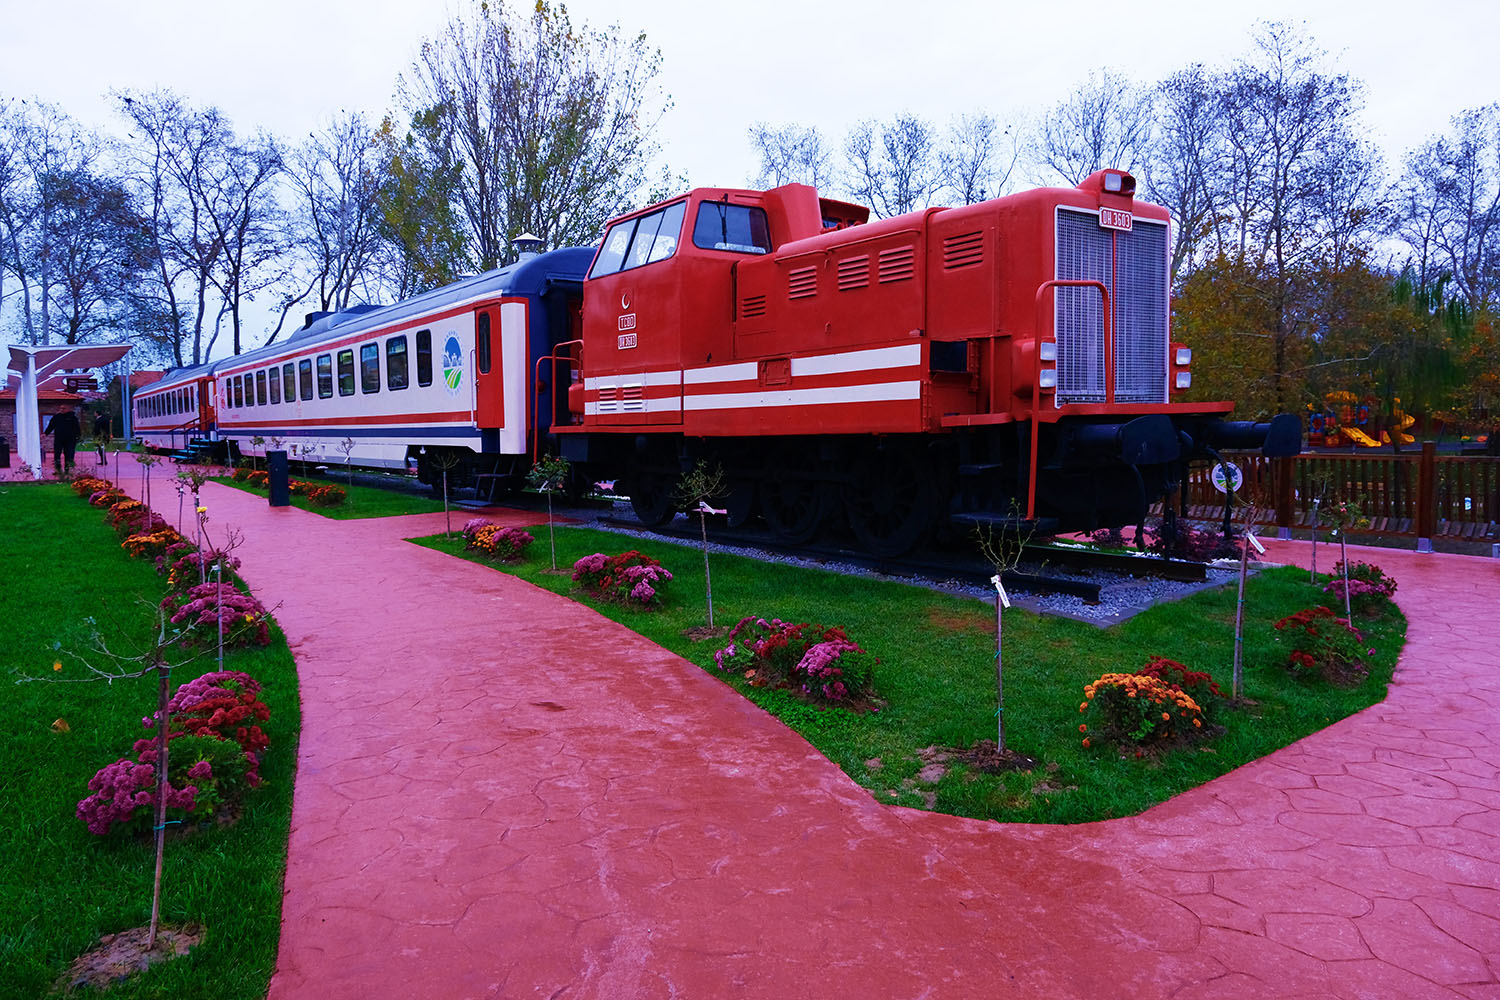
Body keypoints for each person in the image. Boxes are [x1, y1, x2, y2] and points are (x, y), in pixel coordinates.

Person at [44, 405, 82, 476]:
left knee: (68, 453)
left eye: (64, 408)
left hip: (70, 439)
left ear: (68, 409)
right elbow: (51, 426)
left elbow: (77, 428)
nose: (62, 410)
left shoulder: (72, 418)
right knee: (57, 453)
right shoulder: (57, 417)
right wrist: (46, 433)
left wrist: (78, 436)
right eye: (60, 408)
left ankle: (67, 469)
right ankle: (58, 469)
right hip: (59, 439)